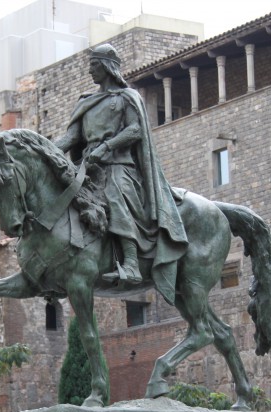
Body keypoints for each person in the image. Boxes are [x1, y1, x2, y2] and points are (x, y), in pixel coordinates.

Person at [54, 43, 187, 302]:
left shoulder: (127, 98)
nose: (91, 71)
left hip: (119, 165)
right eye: (91, 66)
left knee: (114, 194)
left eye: (94, 65)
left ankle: (131, 264)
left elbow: (136, 129)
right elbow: (72, 136)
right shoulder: (86, 102)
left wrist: (107, 146)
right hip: (88, 166)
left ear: (106, 67)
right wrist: (45, 149)